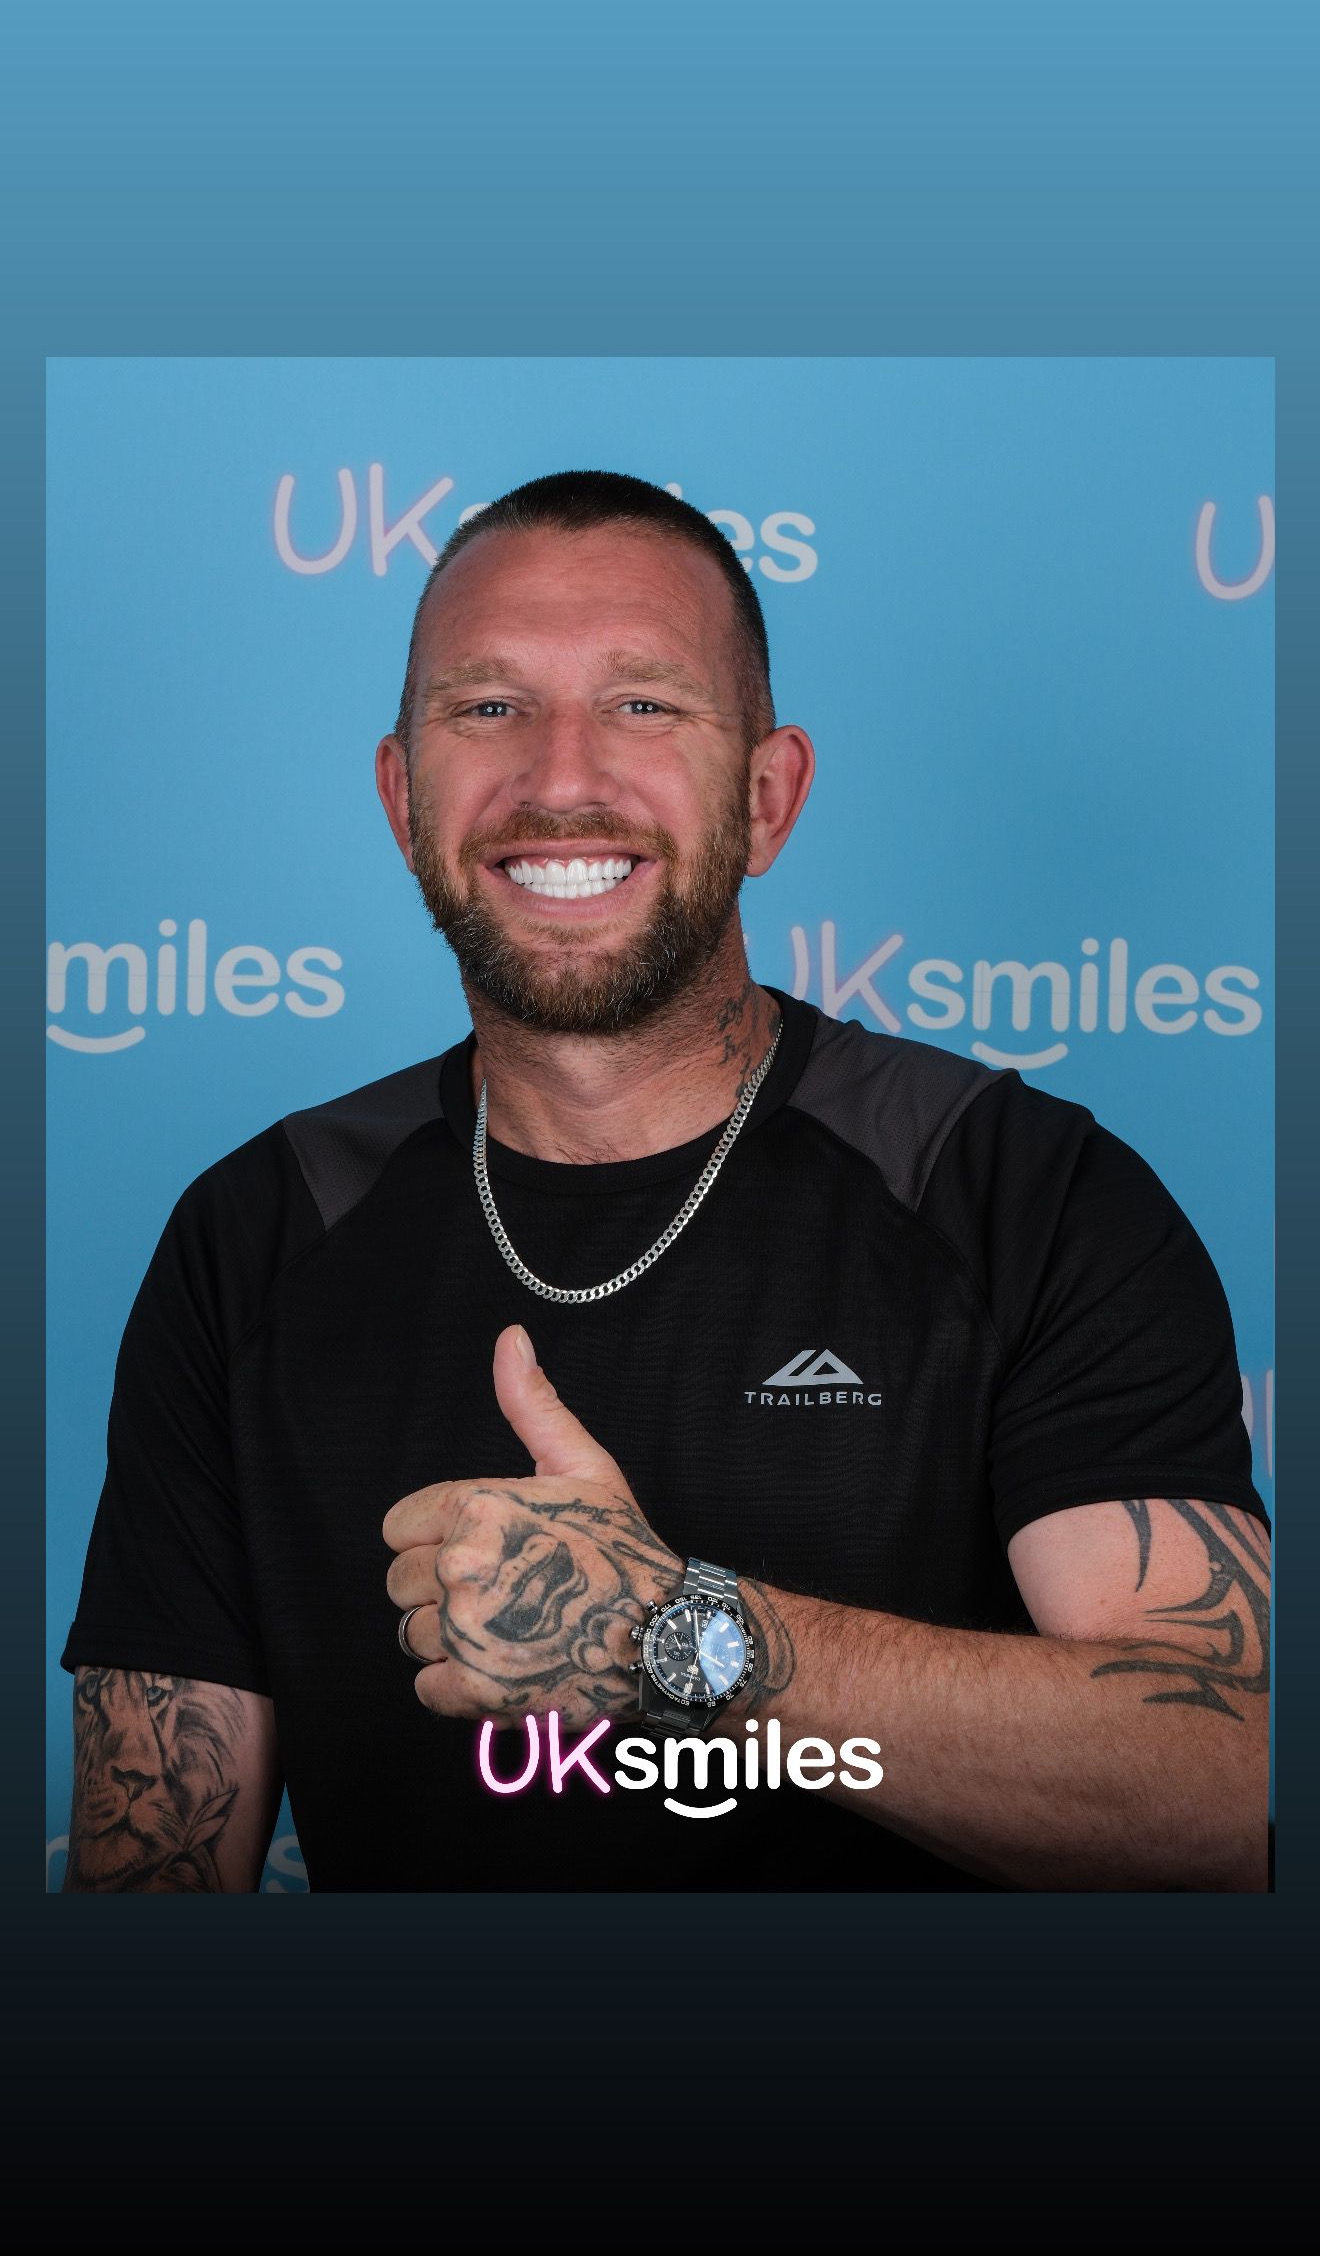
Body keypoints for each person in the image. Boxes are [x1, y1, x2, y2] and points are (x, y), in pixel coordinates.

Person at [61, 470, 1270, 1894]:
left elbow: (1223, 1795)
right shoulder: (257, 1235)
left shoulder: (1023, 1196)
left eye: (644, 704)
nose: (561, 779)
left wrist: (676, 1634)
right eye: (487, 706)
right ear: (401, 795)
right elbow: (150, 1878)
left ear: (767, 797)